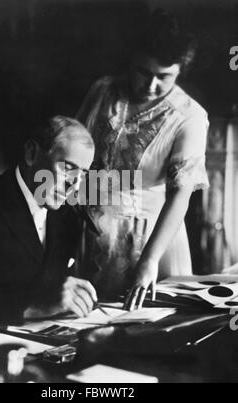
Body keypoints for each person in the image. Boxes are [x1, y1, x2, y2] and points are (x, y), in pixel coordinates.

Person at [77, 10, 210, 310]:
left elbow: (180, 196)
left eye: (163, 77)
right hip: (91, 233)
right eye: (143, 72)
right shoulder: (103, 91)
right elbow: (76, 152)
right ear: (131, 61)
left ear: (180, 72)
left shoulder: (189, 117)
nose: (150, 85)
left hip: (150, 242)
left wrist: (149, 262)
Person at [0, 116, 97, 334]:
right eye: (67, 167)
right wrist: (36, 304)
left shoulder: (67, 214)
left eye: (82, 174)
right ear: (31, 154)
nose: (74, 185)